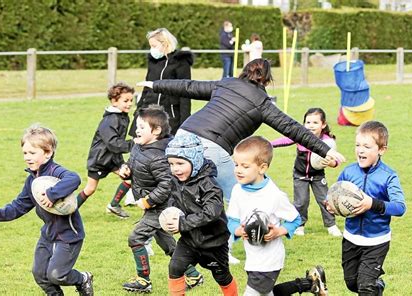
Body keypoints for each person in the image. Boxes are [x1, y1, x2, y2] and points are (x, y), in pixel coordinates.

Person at [137, 58, 345, 264]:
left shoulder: (226, 83)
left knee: (179, 192)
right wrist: (325, 149)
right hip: (211, 145)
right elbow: (292, 128)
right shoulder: (263, 102)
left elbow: (189, 86)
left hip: (182, 138)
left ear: (244, 72)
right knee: (237, 195)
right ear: (266, 80)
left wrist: (155, 84)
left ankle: (144, 237)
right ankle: (222, 250)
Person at [0, 124, 93, 296]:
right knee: (40, 275)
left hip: (68, 235)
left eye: (32, 153)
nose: (27, 157)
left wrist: (52, 194)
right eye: (25, 153)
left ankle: (83, 279)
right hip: (48, 234)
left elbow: (74, 178)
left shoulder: (55, 171)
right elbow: (20, 205)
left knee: (57, 275)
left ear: (48, 153)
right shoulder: (32, 180)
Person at [119, 106, 202, 293]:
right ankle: (194, 275)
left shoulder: (159, 156)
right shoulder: (138, 146)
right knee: (168, 244)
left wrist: (148, 201)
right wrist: (126, 170)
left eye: (141, 127)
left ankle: (143, 280)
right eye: (137, 126)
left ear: (156, 131)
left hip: (161, 206)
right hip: (152, 206)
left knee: (136, 238)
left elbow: (166, 185)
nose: (136, 130)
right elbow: (133, 164)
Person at [326, 121, 406, 295]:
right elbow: (334, 194)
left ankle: (372, 284)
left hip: (376, 241)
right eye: (357, 145)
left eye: (367, 146)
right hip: (351, 238)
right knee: (351, 282)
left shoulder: (388, 176)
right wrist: (330, 205)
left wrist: (372, 204)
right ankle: (378, 284)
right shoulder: (349, 172)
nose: (360, 150)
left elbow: (400, 207)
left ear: (381, 150)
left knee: (365, 287)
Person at [226, 136, 302, 295]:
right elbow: (232, 220)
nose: (238, 170)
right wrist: (238, 231)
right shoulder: (237, 191)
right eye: (236, 164)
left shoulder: (274, 195)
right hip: (252, 259)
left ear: (262, 168)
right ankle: (307, 284)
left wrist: (278, 231)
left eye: (245, 166)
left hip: (269, 261)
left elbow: (295, 219)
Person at [164, 133, 238, 296]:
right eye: (171, 163)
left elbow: (212, 212)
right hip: (189, 240)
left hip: (214, 242)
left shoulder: (209, 184)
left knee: (222, 277)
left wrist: (182, 223)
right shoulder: (176, 181)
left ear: (195, 161)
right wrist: (170, 214)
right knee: (175, 267)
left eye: (180, 163)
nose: (175, 168)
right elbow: (173, 200)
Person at [271, 107, 342, 237]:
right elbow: (285, 140)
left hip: (317, 176)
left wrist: (333, 163)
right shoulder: (301, 136)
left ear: (323, 124)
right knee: (301, 201)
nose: (311, 125)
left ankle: (331, 225)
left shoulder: (327, 141)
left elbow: (336, 159)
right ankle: (299, 225)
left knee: (324, 200)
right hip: (300, 175)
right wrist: (269, 143)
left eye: (315, 122)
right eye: (308, 122)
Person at [76, 82, 134, 218]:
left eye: (131, 100)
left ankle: (114, 205)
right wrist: (133, 145)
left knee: (130, 178)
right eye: (125, 101)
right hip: (100, 160)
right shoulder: (109, 120)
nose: (130, 104)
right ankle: (68, 212)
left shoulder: (123, 116)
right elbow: (113, 143)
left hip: (113, 159)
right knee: (90, 189)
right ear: (114, 101)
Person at [128, 28, 194, 137]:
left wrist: (184, 121)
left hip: (170, 115)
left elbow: (185, 93)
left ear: (165, 44)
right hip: (148, 112)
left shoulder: (181, 62)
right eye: (150, 46)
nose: (151, 49)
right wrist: (138, 110)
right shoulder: (153, 62)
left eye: (154, 46)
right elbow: (146, 88)